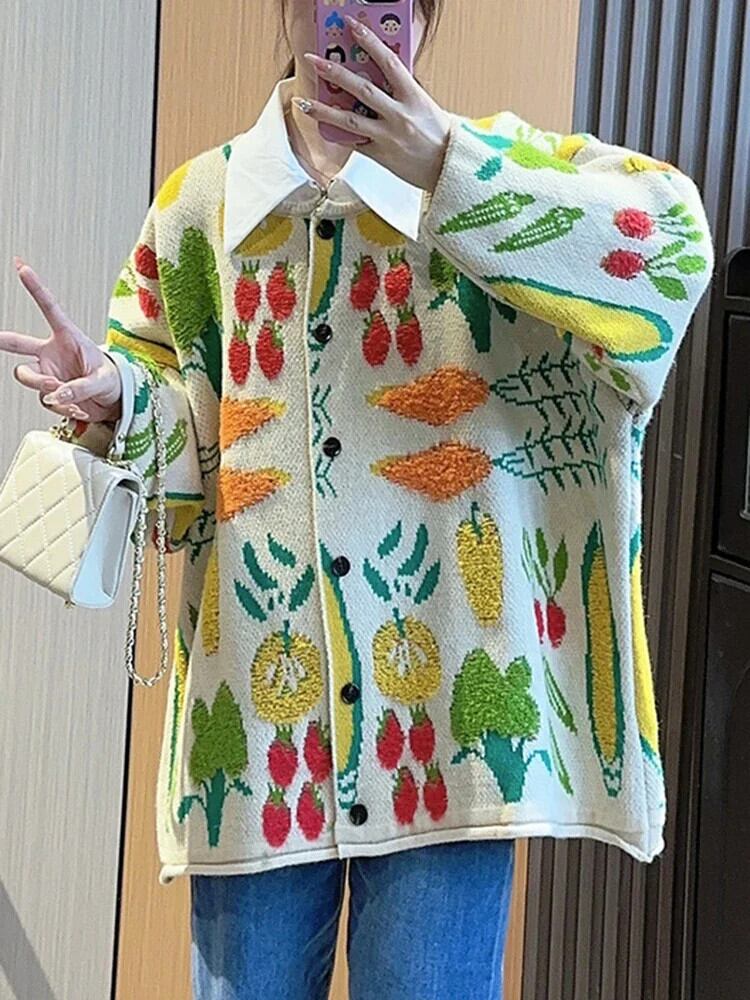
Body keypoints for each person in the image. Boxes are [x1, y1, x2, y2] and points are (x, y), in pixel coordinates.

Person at [0, 1, 714, 998]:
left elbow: (673, 247)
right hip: (258, 734)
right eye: (335, 4)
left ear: (420, 16)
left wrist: (450, 167)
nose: (359, 29)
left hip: (454, 733)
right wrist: (120, 398)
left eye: (388, 7)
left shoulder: (498, 164)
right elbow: (194, 456)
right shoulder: (202, 207)